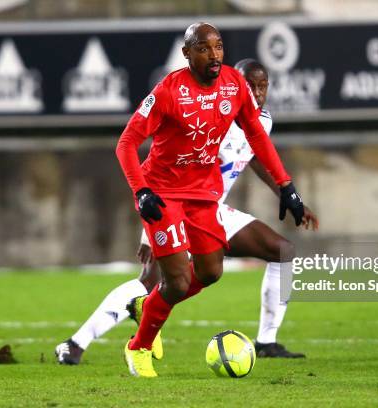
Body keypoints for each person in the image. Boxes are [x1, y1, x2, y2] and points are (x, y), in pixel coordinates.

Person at [55, 59, 319, 366]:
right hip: (176, 204)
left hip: (211, 209)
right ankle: (76, 343)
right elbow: (161, 161)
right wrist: (149, 226)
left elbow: (255, 155)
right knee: (150, 282)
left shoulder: (262, 120)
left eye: (263, 86)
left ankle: (266, 341)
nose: (257, 93)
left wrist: (286, 192)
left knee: (282, 250)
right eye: (250, 86)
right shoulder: (208, 116)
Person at [108, 22, 304, 378]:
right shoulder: (168, 91)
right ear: (187, 53)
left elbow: (256, 136)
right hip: (163, 194)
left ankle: (147, 304)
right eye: (203, 48)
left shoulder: (233, 84)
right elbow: (125, 144)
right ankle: (139, 346)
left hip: (202, 194)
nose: (213, 55)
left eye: (218, 47)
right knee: (179, 281)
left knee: (211, 272)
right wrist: (142, 191)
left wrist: (286, 186)